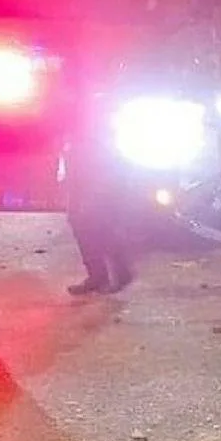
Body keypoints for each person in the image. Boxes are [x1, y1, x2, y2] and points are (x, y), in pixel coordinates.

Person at [64, 64, 138, 296]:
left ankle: (117, 272)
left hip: (98, 164)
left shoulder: (97, 101)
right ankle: (99, 274)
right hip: (82, 161)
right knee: (79, 219)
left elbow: (105, 138)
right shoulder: (79, 101)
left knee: (95, 220)